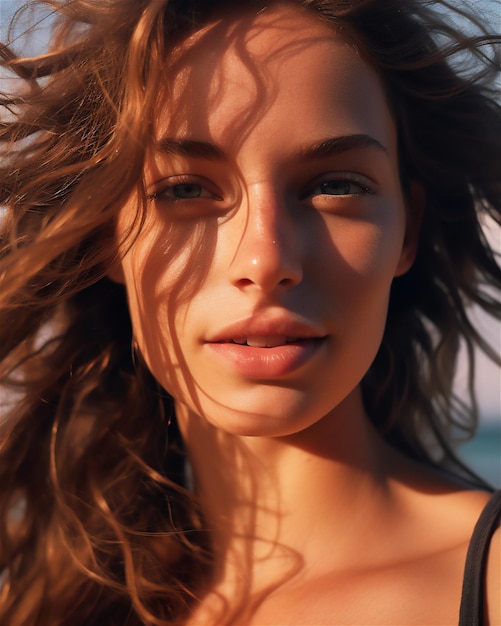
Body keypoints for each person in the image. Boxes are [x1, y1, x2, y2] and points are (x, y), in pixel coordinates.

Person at [0, 0, 500, 624]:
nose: (266, 259)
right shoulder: (42, 602)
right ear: (106, 234)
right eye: (184, 189)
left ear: (407, 231)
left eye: (336, 185)